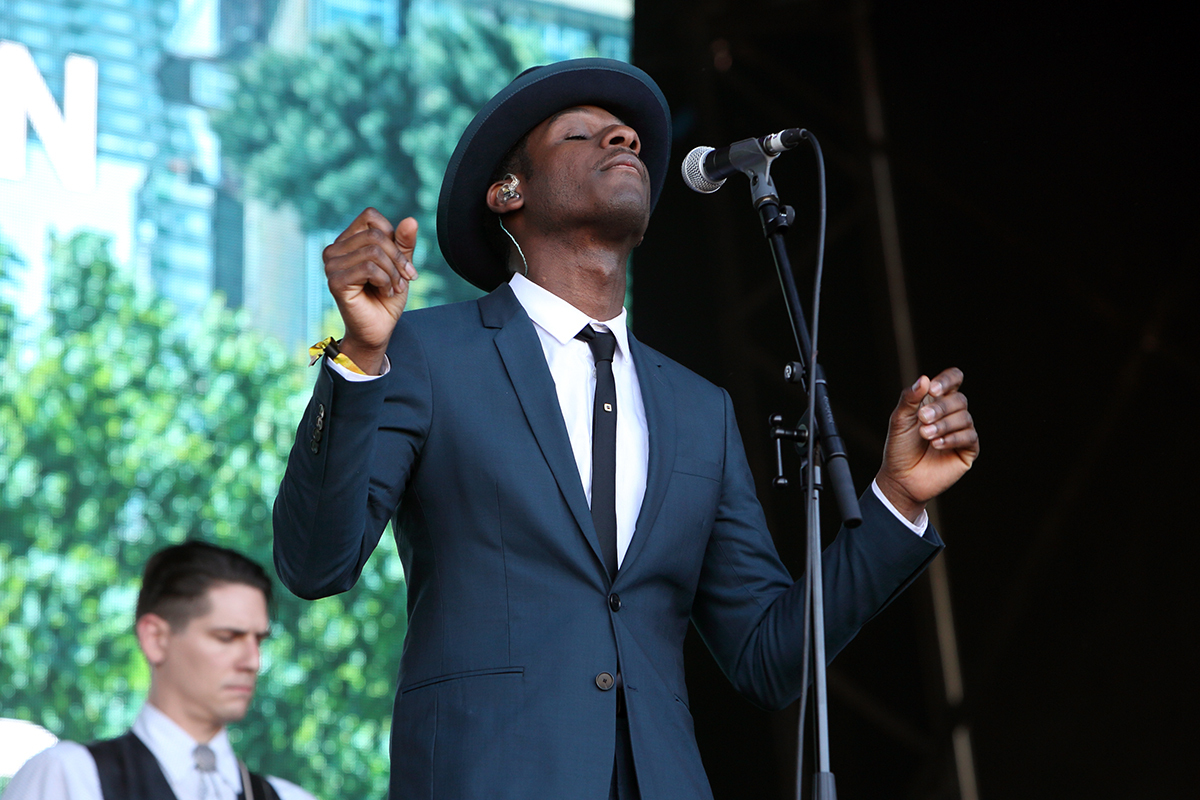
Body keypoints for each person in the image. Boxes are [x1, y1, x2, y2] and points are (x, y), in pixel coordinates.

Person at [273, 58, 978, 800]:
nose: (623, 139)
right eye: (583, 133)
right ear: (508, 192)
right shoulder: (423, 353)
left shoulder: (698, 409)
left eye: (633, 140)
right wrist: (355, 359)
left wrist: (897, 499)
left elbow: (769, 657)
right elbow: (314, 562)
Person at [2, 541, 317, 800]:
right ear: (156, 638)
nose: (252, 661)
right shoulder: (68, 776)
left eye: (258, 639)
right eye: (227, 637)